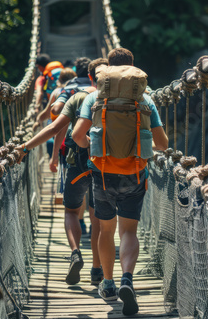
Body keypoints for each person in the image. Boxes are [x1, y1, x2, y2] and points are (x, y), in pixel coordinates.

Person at [72, 48, 168, 315]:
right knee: (129, 231)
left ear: (107, 69)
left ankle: (108, 283)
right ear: (133, 70)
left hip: (102, 174)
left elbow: (79, 136)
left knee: (105, 230)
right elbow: (162, 144)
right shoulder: (145, 98)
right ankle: (127, 278)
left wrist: (93, 146)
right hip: (135, 174)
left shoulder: (94, 96)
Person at [16, 59, 109, 285]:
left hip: (77, 162)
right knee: (97, 218)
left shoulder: (77, 97)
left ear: (89, 77)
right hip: (106, 165)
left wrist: (25, 147)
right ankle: (97, 270)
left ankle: (75, 252)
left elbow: (54, 126)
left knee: (70, 211)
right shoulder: (117, 100)